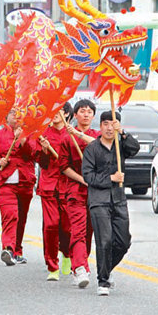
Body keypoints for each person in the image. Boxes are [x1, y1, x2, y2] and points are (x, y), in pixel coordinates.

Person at [82, 111, 140, 296]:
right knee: (104, 240)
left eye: (112, 124)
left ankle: (106, 269)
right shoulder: (92, 148)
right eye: (105, 124)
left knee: (123, 242)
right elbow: (88, 176)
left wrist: (122, 133)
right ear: (100, 126)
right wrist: (111, 178)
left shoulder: (121, 145)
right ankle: (103, 281)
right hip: (99, 201)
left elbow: (135, 148)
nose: (109, 127)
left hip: (118, 199)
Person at [0, 108, 37, 266]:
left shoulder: (30, 134)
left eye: (19, 113)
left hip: (25, 181)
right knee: (10, 215)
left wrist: (22, 141)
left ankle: (17, 251)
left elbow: (33, 154)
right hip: (5, 183)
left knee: (21, 218)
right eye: (12, 113)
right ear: (5, 116)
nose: (16, 116)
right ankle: (8, 248)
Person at [59, 98, 100, 288]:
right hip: (75, 190)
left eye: (89, 111)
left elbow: (102, 148)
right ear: (75, 115)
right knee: (78, 230)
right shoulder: (67, 138)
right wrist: (82, 179)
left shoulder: (97, 135)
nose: (85, 114)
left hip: (95, 192)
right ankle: (80, 267)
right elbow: (64, 166)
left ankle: (82, 262)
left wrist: (78, 134)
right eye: (82, 111)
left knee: (90, 231)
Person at [35, 103, 73, 281]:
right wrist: (44, 150)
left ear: (66, 113)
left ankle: (66, 254)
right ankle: (52, 265)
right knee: (50, 225)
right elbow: (41, 163)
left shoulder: (72, 134)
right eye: (53, 110)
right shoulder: (43, 134)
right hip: (49, 185)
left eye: (59, 110)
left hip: (68, 186)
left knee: (67, 226)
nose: (56, 114)